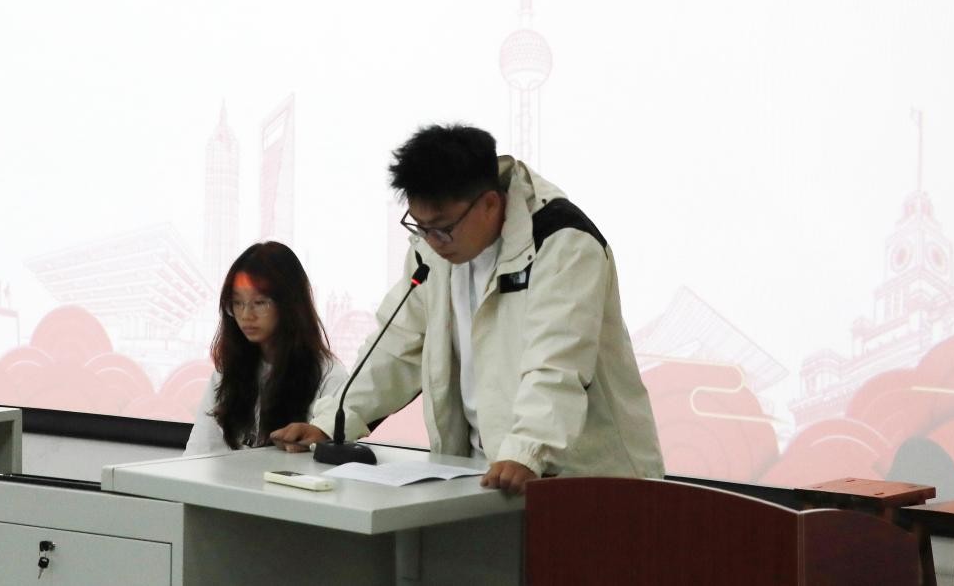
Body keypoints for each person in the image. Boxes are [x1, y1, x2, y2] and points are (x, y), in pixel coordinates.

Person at [270, 124, 664, 494]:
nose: (432, 241)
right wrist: (331, 422)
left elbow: (557, 365)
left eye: (442, 228)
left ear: (490, 204)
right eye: (420, 226)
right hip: (486, 476)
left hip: (590, 480)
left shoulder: (561, 242)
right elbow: (396, 345)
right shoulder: (433, 252)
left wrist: (526, 451)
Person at [185, 241, 348, 455]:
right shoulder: (228, 372)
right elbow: (199, 454)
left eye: (260, 303)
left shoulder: (329, 375)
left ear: (290, 304)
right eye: (237, 303)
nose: (246, 315)